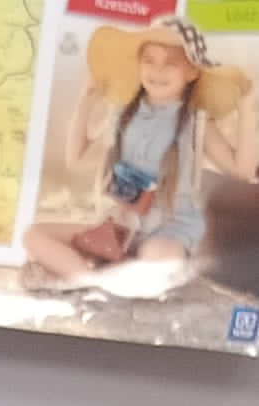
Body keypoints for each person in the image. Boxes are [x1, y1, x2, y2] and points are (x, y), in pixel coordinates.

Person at [23, 13, 257, 286]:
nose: (157, 71)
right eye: (149, 61)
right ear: (138, 65)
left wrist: (247, 110)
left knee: (159, 261)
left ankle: (94, 272)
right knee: (34, 235)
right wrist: (86, 100)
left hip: (169, 232)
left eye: (170, 63)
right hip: (117, 228)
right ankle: (92, 281)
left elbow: (241, 170)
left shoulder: (197, 124)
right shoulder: (122, 117)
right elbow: (77, 159)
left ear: (192, 72)